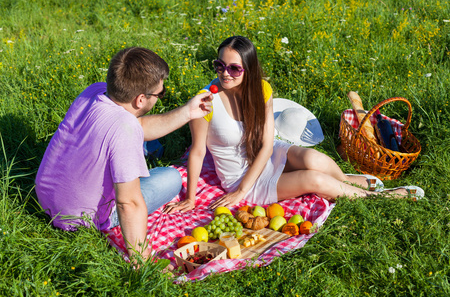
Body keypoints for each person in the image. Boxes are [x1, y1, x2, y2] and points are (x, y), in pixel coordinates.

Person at [162, 36, 423, 214]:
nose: (224, 73)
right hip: (240, 179)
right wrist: (192, 198)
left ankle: (347, 181)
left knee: (313, 158)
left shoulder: (261, 89)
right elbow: (197, 152)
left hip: (265, 155)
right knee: (312, 179)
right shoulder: (206, 102)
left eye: (234, 68)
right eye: (220, 65)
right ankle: (383, 197)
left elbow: (266, 145)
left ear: (249, 70)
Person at [35, 47, 213, 261]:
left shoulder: (95, 91)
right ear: (140, 99)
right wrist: (143, 261)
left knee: (149, 144)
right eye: (160, 93)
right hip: (80, 218)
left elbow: (136, 126)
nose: (160, 96)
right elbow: (128, 203)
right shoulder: (123, 131)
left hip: (45, 198)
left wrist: (187, 112)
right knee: (171, 178)